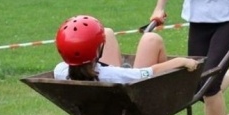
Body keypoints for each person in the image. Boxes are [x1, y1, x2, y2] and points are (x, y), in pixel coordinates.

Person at [53, 15, 199, 82]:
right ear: (97, 51)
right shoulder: (111, 75)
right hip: (130, 100)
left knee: (107, 32)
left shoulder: (60, 71)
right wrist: (181, 61)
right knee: (151, 39)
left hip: (102, 96)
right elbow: (149, 73)